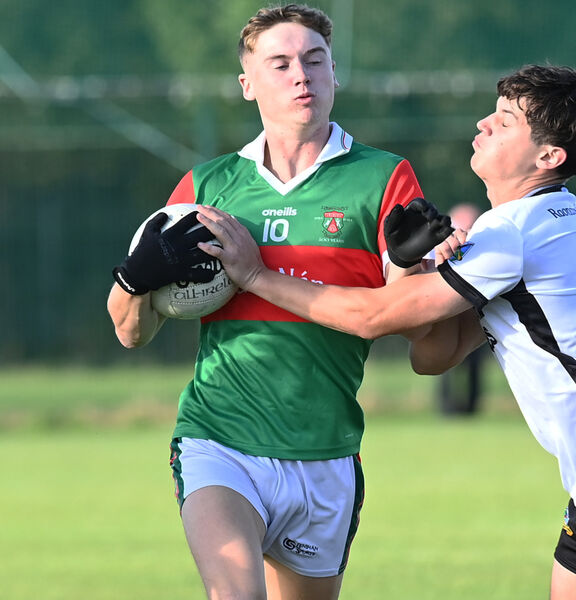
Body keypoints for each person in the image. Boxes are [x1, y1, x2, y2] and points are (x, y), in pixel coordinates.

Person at [197, 64, 576, 600]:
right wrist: (418, 266)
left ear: (548, 157)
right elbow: (436, 355)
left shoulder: (515, 229)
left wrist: (256, 275)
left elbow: (374, 318)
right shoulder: (538, 222)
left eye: (507, 120)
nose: (484, 123)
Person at [107, 5, 441, 599]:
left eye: (314, 61)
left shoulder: (384, 178)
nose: (301, 76)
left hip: (326, 452)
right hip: (219, 439)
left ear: (335, 73)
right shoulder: (205, 189)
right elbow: (131, 332)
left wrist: (414, 269)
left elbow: (414, 325)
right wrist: (135, 280)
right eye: (280, 63)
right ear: (248, 84)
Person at [437, 203, 486, 415]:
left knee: (473, 364)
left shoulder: (477, 245)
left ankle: (470, 407)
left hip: (475, 314)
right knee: (444, 363)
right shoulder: (448, 247)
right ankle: (448, 407)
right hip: (452, 311)